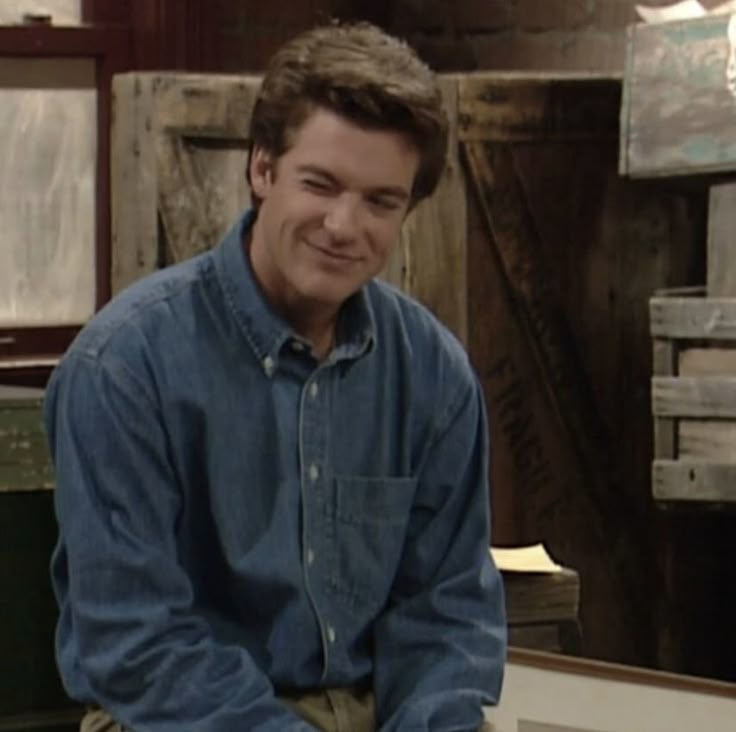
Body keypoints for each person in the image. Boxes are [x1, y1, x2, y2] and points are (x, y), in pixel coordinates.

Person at [44, 21, 506, 732]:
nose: (344, 225)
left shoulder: (433, 374)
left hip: (374, 712)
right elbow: (138, 646)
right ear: (261, 170)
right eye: (320, 185)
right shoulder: (125, 366)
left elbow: (444, 617)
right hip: (177, 716)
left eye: (381, 201)